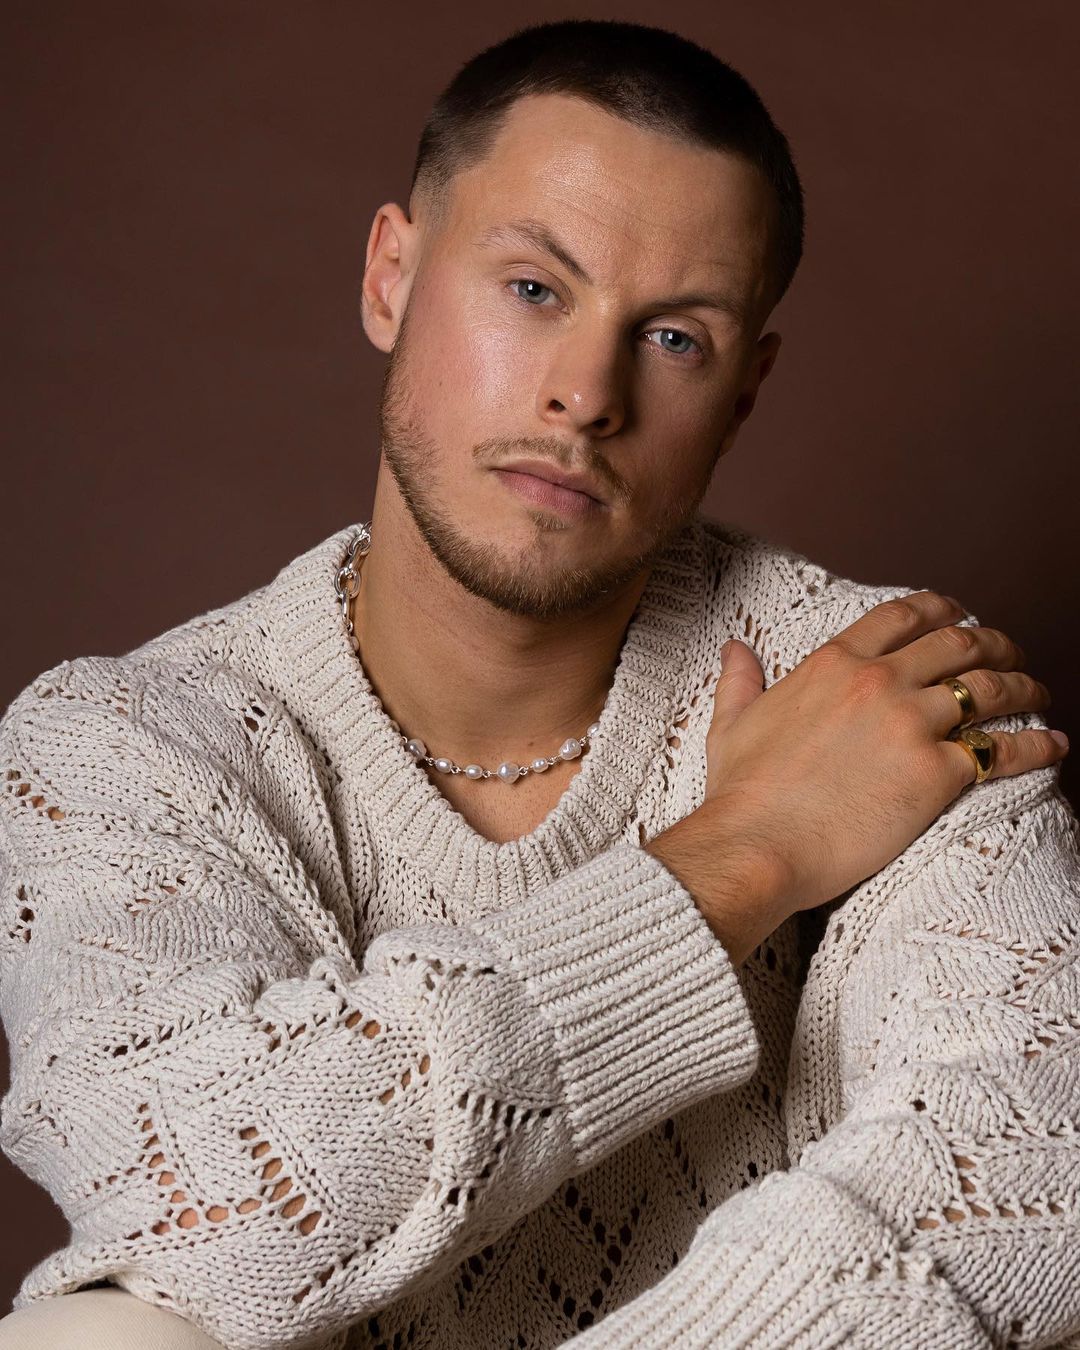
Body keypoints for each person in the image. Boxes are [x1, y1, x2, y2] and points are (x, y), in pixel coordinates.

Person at [0, 17, 1076, 1350]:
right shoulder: (122, 744)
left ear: (744, 394)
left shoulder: (884, 689)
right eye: (533, 289)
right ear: (391, 277)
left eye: (673, 338)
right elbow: (207, 1209)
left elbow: (1033, 1172)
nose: (585, 394)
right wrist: (741, 857)